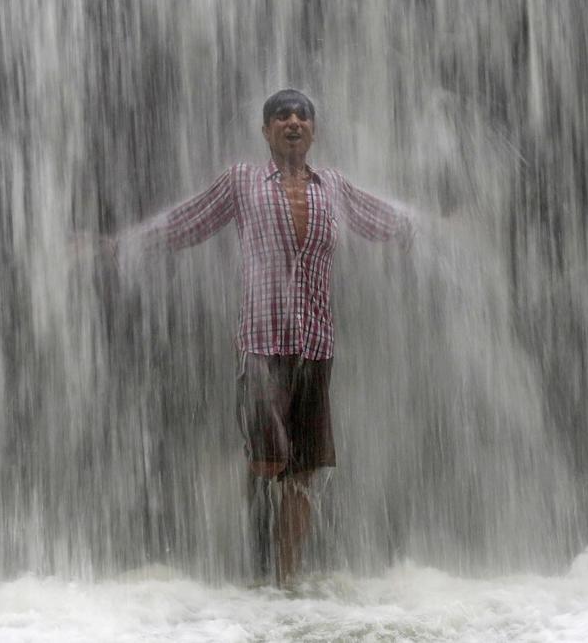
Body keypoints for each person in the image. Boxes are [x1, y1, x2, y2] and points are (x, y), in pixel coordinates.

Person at [111, 88, 413, 586]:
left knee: (305, 471)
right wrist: (119, 246)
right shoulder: (242, 181)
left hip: (316, 346)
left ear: (314, 129)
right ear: (266, 129)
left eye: (302, 116)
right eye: (280, 116)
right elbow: (186, 223)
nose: (292, 122)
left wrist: (435, 232)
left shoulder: (332, 186)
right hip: (262, 344)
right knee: (266, 462)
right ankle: (256, 575)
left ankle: (287, 580)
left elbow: (383, 220)